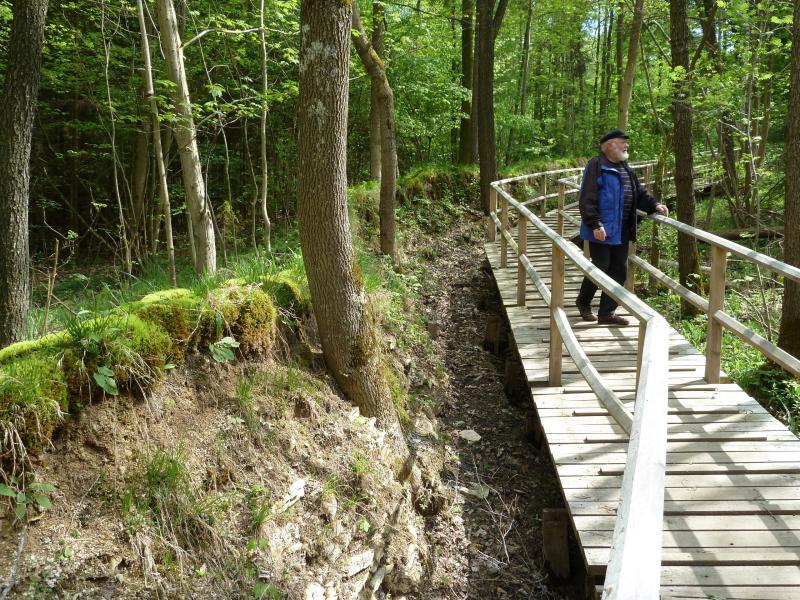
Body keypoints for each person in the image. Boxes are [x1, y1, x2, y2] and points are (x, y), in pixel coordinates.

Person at [575, 129, 669, 326]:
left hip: (623, 229)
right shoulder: (596, 165)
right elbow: (587, 197)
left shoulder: (625, 168)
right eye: (622, 142)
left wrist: (654, 205)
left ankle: (606, 313)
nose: (627, 146)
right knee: (601, 266)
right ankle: (583, 302)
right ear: (609, 145)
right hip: (601, 228)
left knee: (619, 270)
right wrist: (594, 223)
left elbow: (639, 192)